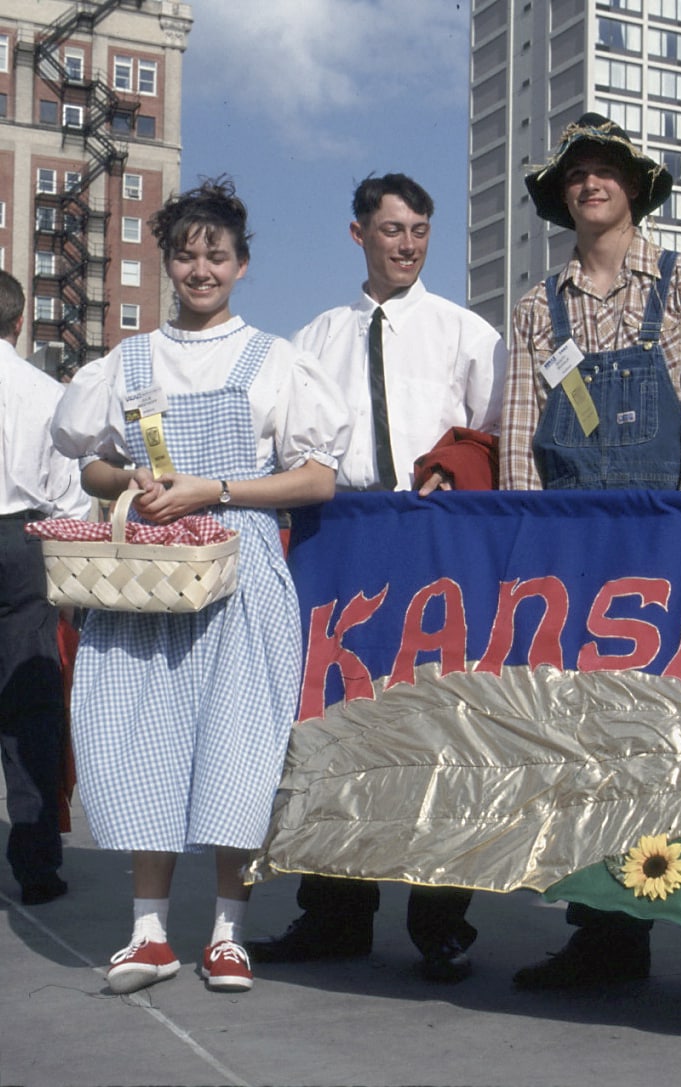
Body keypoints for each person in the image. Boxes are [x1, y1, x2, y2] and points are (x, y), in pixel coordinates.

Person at [50, 178, 347, 995]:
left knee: (237, 746)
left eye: (216, 254)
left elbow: (316, 476)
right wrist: (134, 480)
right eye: (186, 253)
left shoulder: (277, 360)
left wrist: (212, 489)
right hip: (148, 573)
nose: (200, 267)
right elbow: (88, 457)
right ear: (168, 264)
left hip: (240, 566)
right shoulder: (132, 358)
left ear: (242, 265)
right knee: (142, 737)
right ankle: (147, 931)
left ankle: (227, 931)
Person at [499, 113, 681, 1009]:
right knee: (588, 747)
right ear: (560, 197)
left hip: (665, 544)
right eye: (575, 174)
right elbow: (520, 443)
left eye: (606, 170)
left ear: (634, 188)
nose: (589, 182)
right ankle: (605, 935)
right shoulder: (536, 309)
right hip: (571, 554)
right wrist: (530, 554)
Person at [246, 173, 507, 984]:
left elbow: (500, 432)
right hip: (342, 536)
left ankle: (441, 923)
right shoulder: (314, 339)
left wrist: (458, 467)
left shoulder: (467, 333)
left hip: (434, 542)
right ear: (357, 234)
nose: (407, 244)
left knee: (442, 731)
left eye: (420, 229)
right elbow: (282, 441)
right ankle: (333, 914)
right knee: (336, 728)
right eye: (391, 229)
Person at [0, 270, 90, 907]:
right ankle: (37, 866)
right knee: (30, 702)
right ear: (19, 323)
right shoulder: (47, 393)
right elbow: (73, 495)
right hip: (26, 540)